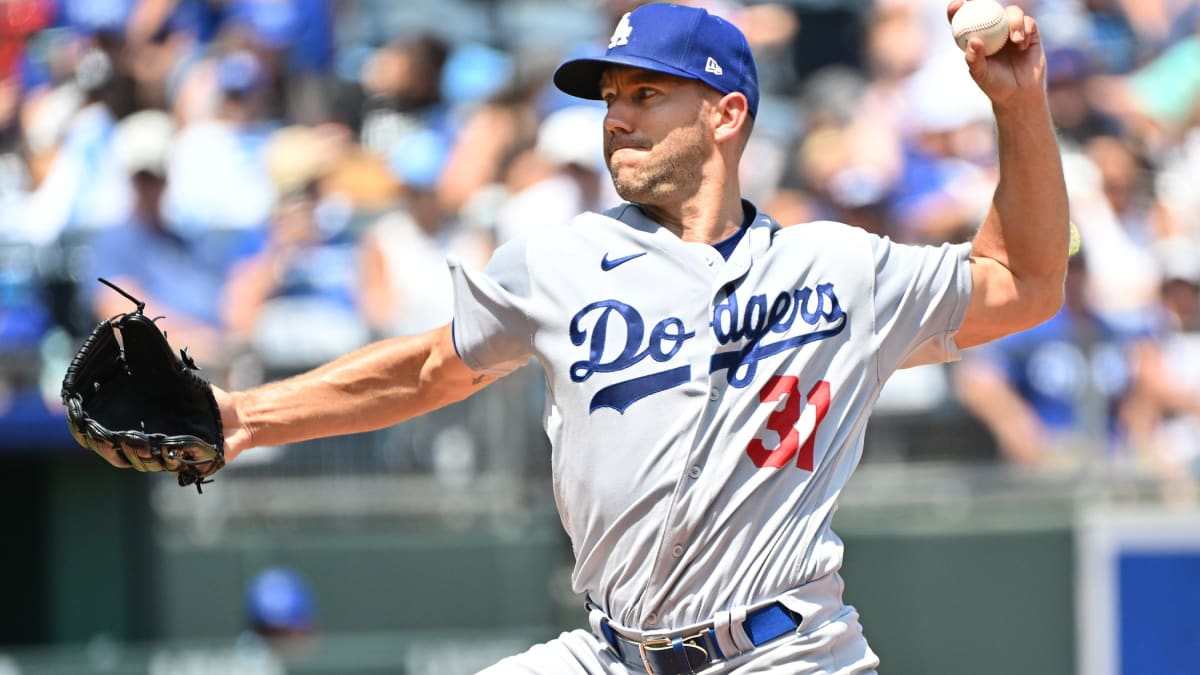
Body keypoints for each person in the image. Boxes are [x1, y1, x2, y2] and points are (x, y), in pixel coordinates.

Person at [211, 3, 1069, 672]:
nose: (617, 116)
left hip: (785, 652)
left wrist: (1019, 104)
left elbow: (1025, 282)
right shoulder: (558, 260)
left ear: (727, 113)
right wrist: (244, 417)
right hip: (608, 652)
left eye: (647, 93)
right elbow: (431, 367)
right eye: (612, 97)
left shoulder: (838, 269)